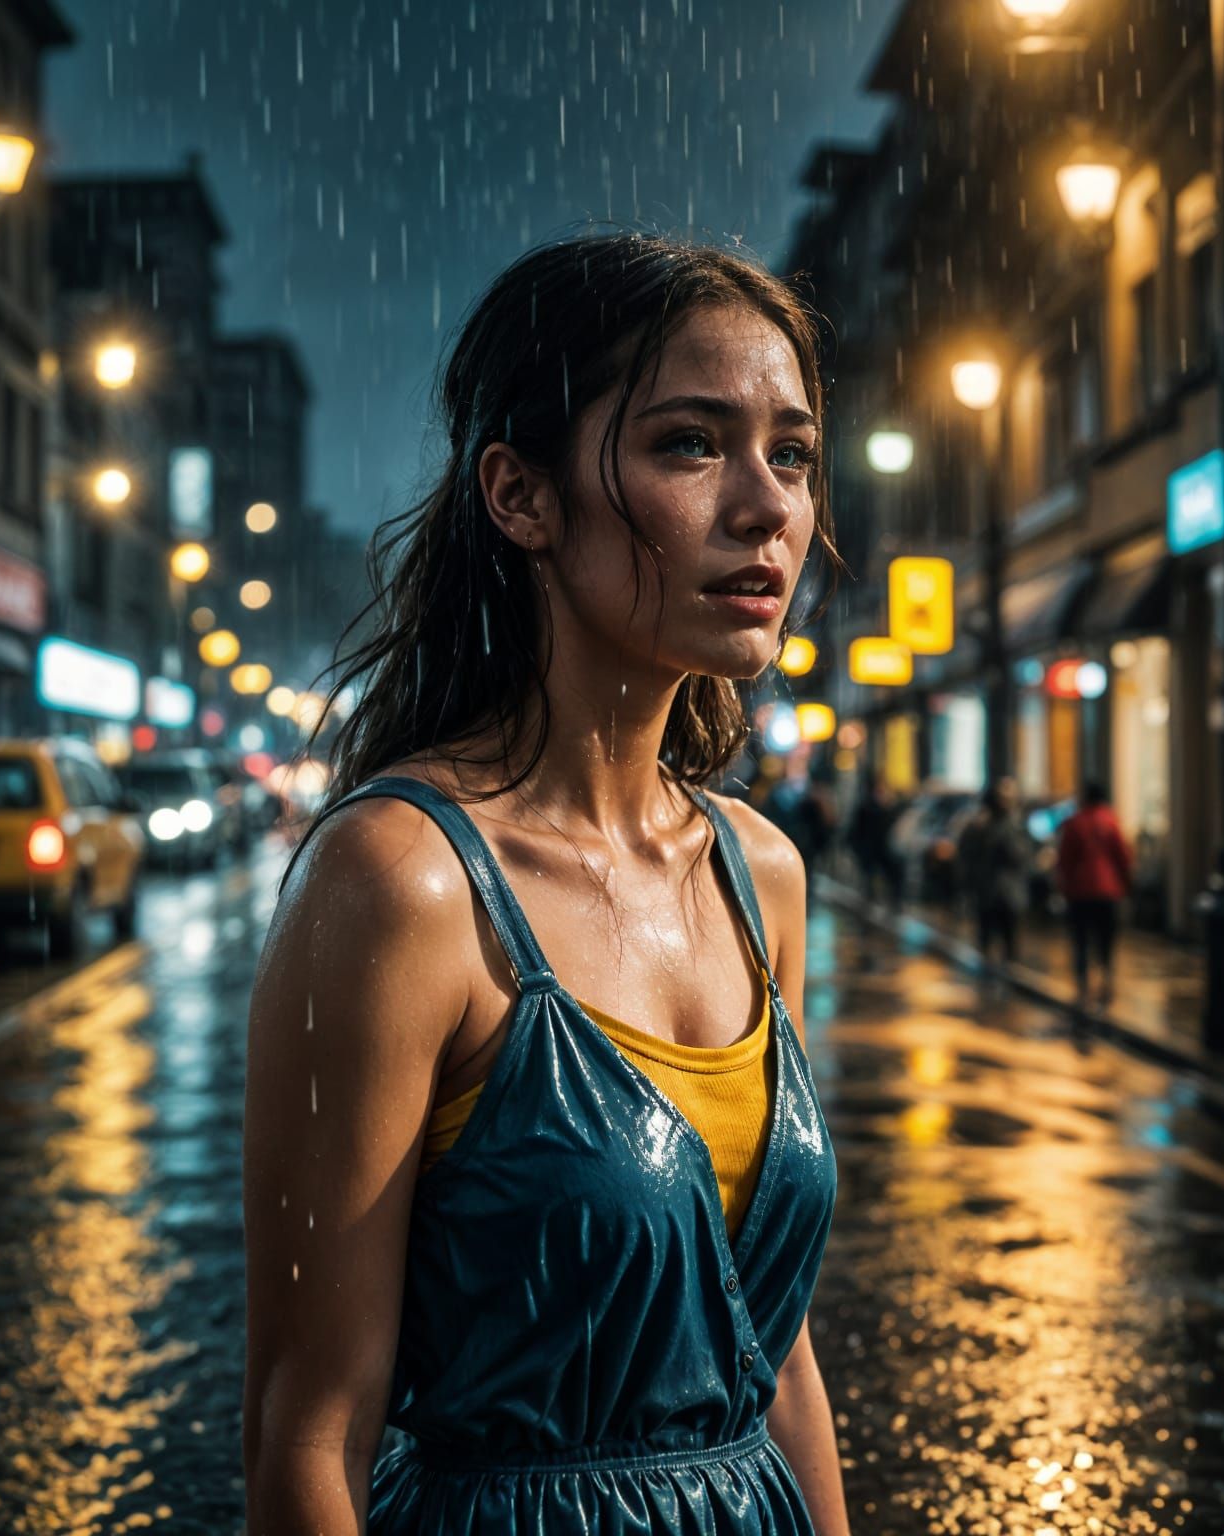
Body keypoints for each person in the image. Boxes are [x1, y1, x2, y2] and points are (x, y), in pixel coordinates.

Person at [243, 233, 849, 1536]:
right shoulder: (401, 883)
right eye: (691, 443)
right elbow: (309, 1435)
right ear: (521, 495)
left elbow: (777, 1356)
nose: (768, 507)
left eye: (793, 454)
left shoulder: (762, 875)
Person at [1055, 780, 1133, 1010]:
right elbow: (1123, 856)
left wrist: (1063, 885)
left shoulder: (1075, 823)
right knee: (1106, 938)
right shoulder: (1111, 821)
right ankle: (1106, 978)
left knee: (1081, 939)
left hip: (1080, 891)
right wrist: (1127, 884)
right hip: (1108, 890)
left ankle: (1083, 985)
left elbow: (1065, 859)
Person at [956, 779, 1031, 965]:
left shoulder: (978, 826)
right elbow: (1019, 855)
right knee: (1004, 942)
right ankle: (1000, 970)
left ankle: (994, 969)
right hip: (1001, 892)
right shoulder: (1004, 827)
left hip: (990, 892)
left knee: (991, 940)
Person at [847, 775, 901, 911]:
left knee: (891, 879)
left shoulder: (890, 807)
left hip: (884, 850)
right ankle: (869, 904)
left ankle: (891, 904)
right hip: (870, 850)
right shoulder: (866, 807)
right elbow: (857, 830)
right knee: (869, 880)